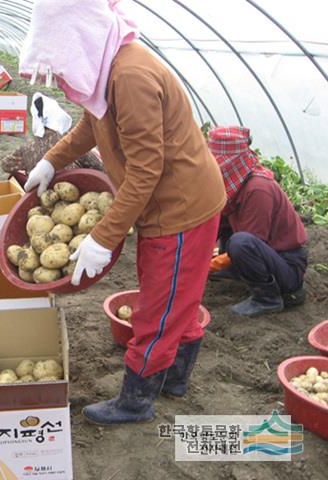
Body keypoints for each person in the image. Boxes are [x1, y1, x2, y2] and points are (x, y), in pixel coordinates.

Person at [20, 0, 226, 425]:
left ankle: (136, 402)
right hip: (161, 207)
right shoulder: (108, 66)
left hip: (181, 209)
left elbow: (146, 171)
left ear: (79, 40)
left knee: (159, 308)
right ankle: (175, 378)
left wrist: (102, 236)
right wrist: (52, 161)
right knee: (171, 298)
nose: (59, 75)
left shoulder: (129, 76)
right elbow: (89, 126)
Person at [208, 126, 307, 316]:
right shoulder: (239, 186)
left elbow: (251, 242)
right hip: (268, 256)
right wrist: (193, 256)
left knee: (241, 242)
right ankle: (237, 270)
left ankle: (267, 298)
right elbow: (216, 225)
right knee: (225, 215)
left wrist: (209, 265)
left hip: (287, 268)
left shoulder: (258, 189)